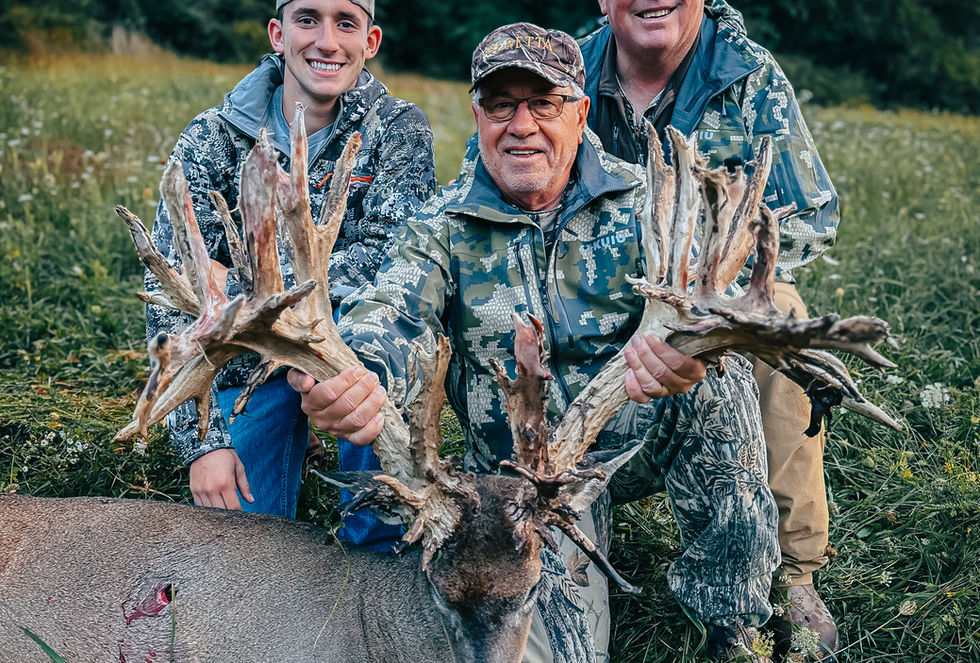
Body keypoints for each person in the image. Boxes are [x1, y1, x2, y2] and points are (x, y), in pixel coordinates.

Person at [290, 22, 778, 663]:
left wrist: (692, 347)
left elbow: (726, 299)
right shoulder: (443, 223)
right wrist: (350, 374)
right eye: (501, 105)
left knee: (721, 379)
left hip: (631, 432)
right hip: (518, 491)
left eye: (543, 104)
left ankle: (733, 628)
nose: (521, 125)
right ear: (478, 115)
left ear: (580, 113)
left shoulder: (646, 203)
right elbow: (388, 312)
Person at [579, 1, 841, 658]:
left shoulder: (747, 79)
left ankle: (791, 572)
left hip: (710, 298)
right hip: (597, 305)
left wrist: (710, 289)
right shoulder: (571, 72)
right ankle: (569, 521)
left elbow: (813, 214)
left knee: (777, 314)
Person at [146, 0, 436, 546]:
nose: (326, 41)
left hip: (343, 357)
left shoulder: (397, 131)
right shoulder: (213, 137)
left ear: (369, 42)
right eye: (308, 20)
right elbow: (174, 298)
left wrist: (233, 290)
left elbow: (391, 266)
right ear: (279, 33)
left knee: (384, 533)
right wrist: (202, 445)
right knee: (242, 547)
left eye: (345, 23)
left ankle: (372, 563)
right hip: (242, 366)